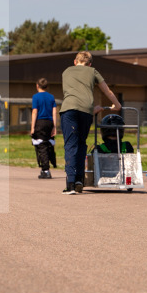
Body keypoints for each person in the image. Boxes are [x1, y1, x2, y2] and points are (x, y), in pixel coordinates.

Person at [59, 51, 121, 195]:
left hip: (69, 110)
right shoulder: (93, 71)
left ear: (75, 61)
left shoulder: (67, 71)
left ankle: (70, 184)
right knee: (81, 144)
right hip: (86, 111)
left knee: (70, 145)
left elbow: (74, 94)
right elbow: (107, 91)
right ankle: (80, 180)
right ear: (90, 64)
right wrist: (117, 105)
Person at [30, 78, 58, 179]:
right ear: (47, 87)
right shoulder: (51, 97)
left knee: (41, 146)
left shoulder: (36, 97)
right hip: (49, 122)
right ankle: (47, 167)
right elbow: (54, 111)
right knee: (48, 144)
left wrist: (32, 127)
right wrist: (54, 126)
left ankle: (46, 170)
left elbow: (34, 112)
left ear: (37, 86)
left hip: (40, 122)